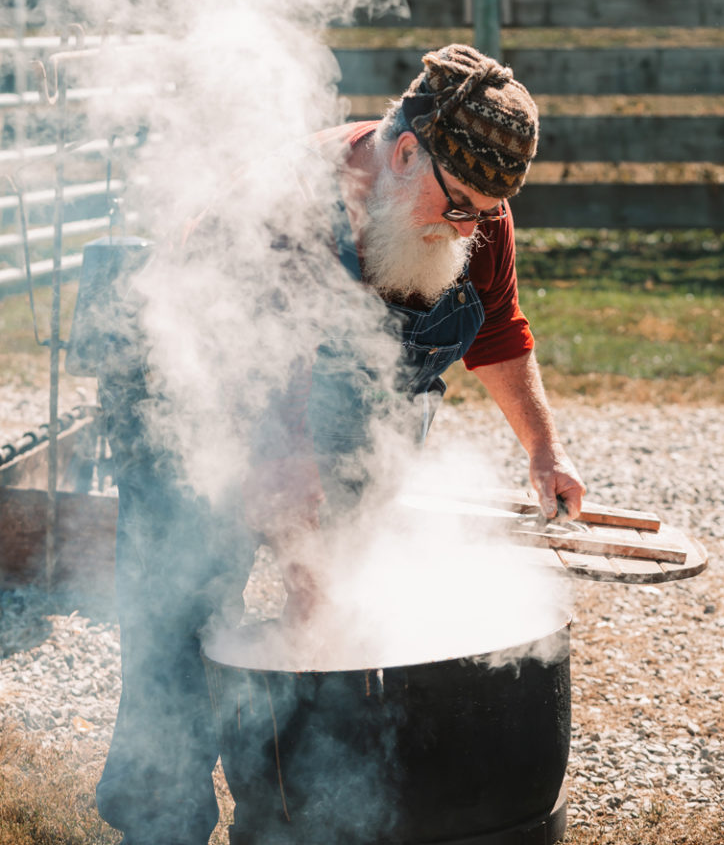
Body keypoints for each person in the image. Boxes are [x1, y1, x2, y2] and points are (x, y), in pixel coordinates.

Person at [87, 42, 585, 845]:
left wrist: (543, 451)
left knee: (330, 604)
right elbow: (270, 448)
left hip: (317, 402)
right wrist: (304, 555)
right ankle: (161, 824)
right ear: (404, 150)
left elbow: (496, 329)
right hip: (189, 390)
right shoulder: (285, 212)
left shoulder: (474, 202)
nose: (469, 227)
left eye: (485, 215)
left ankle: (287, 813)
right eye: (458, 206)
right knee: (180, 607)